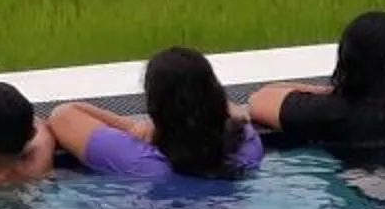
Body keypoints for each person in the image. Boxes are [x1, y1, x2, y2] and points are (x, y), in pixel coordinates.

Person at [248, 10, 385, 163]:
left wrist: (327, 92)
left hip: (375, 198)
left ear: (346, 60)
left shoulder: (333, 111)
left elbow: (258, 100)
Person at [50, 48, 263, 185]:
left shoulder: (140, 162)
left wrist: (131, 127)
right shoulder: (248, 146)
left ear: (155, 109)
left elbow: (64, 115)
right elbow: (235, 111)